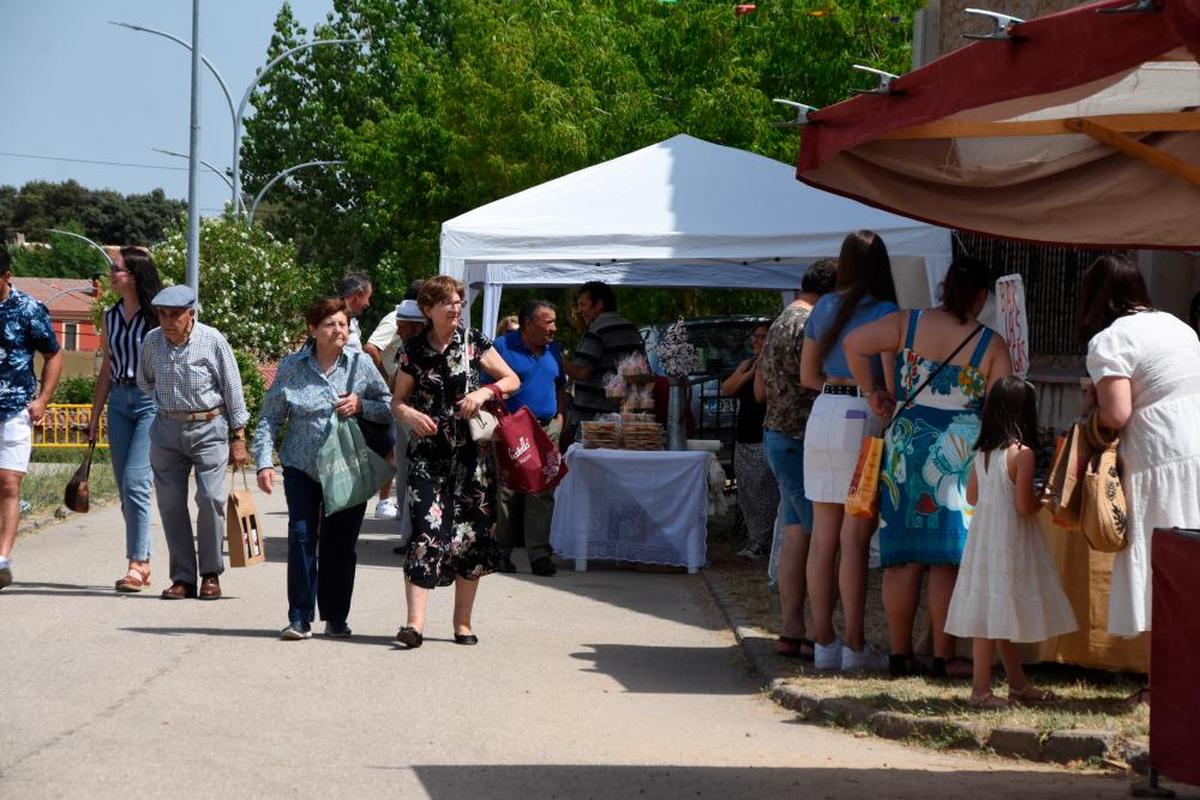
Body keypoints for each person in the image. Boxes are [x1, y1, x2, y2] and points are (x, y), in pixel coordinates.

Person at [844, 256, 1012, 678]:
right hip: (959, 449)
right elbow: (1002, 405)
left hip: (906, 442)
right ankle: (943, 654)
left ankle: (899, 655)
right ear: (980, 296)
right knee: (946, 557)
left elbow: (854, 343)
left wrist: (872, 392)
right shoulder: (990, 344)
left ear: (944, 286)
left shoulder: (908, 323)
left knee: (901, 557)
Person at [1079, 254, 1200, 707]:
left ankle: (1160, 687)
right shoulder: (1176, 325)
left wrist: (1089, 414)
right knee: (1192, 566)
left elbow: (1117, 413)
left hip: (1158, 459)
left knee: (1159, 570)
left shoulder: (1110, 340)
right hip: (1195, 449)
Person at [391, 275, 520, 648]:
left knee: (472, 536)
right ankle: (414, 625)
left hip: (471, 456)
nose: (455, 308)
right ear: (428, 309)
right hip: (428, 456)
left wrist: (484, 391)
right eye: (447, 302)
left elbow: (512, 379)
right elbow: (397, 401)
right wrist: (410, 416)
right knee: (424, 534)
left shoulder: (474, 342)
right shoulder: (412, 350)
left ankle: (462, 623)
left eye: (459, 302)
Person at [253, 296, 392, 640]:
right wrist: (263, 462)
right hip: (301, 467)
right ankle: (299, 617)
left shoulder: (360, 364)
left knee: (340, 544)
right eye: (330, 324)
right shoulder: (291, 367)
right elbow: (270, 418)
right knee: (301, 537)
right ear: (313, 329)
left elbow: (389, 406)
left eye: (343, 324)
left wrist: (361, 404)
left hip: (346, 465)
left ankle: (336, 617)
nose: (338, 330)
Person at [944, 376, 1077, 709]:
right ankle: (980, 691)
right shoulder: (1023, 453)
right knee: (992, 617)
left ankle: (1017, 685)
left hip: (984, 537)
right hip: (1011, 538)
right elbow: (1023, 507)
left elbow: (972, 496)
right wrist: (1044, 500)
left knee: (995, 609)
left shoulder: (984, 453)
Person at [800, 230, 898, 672]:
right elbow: (892, 387)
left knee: (823, 537)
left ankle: (823, 642)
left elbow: (807, 375)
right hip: (863, 413)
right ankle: (855, 645)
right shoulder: (885, 310)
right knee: (854, 537)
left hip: (823, 412)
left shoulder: (823, 306)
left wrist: (836, 392)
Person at [137, 285, 249, 600]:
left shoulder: (212, 341)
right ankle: (183, 578)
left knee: (211, 499)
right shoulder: (152, 341)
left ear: (191, 314)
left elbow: (232, 388)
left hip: (209, 427)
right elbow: (145, 381)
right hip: (167, 429)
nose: (167, 320)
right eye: (162, 314)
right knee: (171, 504)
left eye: (175, 314)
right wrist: (169, 406)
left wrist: (238, 436)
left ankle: (210, 573)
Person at [754, 258, 837, 659]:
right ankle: (816, 632)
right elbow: (812, 378)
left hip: (778, 432)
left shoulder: (781, 320)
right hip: (801, 435)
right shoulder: (808, 324)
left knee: (796, 533)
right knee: (817, 537)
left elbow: (763, 386)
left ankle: (792, 627)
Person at [86, 247, 163, 593]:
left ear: (132, 275)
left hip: (149, 402)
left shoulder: (157, 317)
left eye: (115, 269)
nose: (110, 274)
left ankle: (137, 564)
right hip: (118, 399)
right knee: (124, 487)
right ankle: (142, 558)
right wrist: (94, 415)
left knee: (135, 482)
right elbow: (106, 368)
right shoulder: (110, 317)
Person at [0, 248, 63, 590]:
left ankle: (2, 558)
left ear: (7, 277)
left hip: (14, 407)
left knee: (9, 483)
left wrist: (43, 400)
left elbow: (53, 354)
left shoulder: (28, 309)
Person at [492, 299, 566, 576]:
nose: (554, 328)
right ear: (527, 324)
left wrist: (560, 419)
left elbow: (560, 386)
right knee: (509, 490)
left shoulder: (554, 351)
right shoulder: (501, 346)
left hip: (547, 428)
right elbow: (487, 385)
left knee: (542, 490)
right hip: (513, 428)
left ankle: (539, 556)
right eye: (548, 323)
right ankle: (501, 552)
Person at [363, 283, 427, 521]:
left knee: (398, 453)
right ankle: (384, 501)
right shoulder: (395, 318)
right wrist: (386, 378)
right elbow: (370, 347)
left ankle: (396, 507)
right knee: (393, 451)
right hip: (396, 394)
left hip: (403, 393)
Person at [722, 323, 777, 558]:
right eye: (755, 337)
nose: (756, 341)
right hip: (744, 436)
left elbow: (760, 395)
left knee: (764, 491)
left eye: (762, 337)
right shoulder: (748, 364)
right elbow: (727, 389)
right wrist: (746, 372)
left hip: (761, 434)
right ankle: (755, 538)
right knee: (747, 491)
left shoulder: (772, 364)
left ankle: (763, 540)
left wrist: (759, 369)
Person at [563, 281, 645, 439]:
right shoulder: (631, 328)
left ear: (599, 304)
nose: (580, 311)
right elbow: (642, 372)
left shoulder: (596, 331)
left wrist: (559, 360)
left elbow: (582, 372)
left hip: (593, 421)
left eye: (583, 305)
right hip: (625, 417)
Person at [339, 272, 373, 352]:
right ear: (358, 296)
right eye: (367, 298)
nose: (368, 304)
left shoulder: (351, 321)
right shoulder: (333, 321)